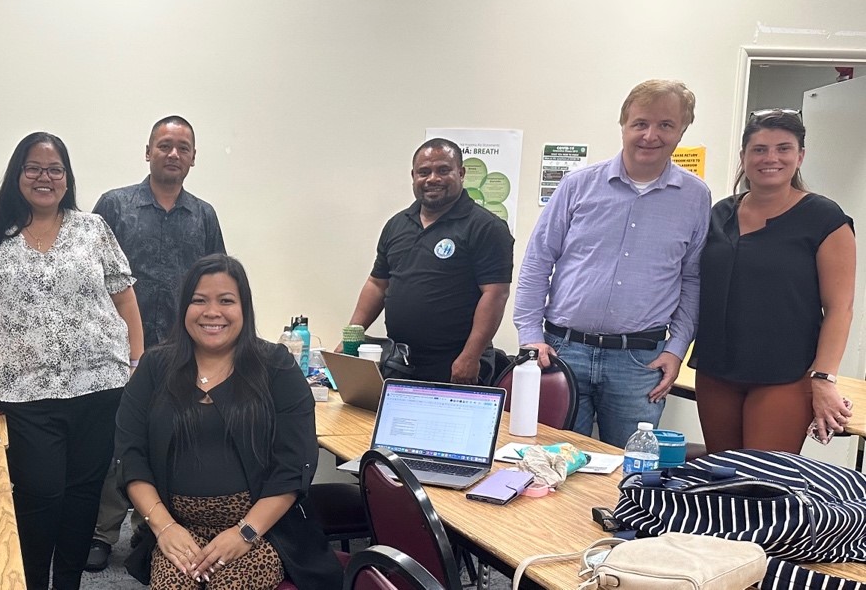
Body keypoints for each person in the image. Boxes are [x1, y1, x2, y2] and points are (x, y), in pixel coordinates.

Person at [0, 131, 144, 590]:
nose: (44, 177)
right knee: (41, 493)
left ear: (67, 179)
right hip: (22, 391)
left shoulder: (92, 228)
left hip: (99, 385)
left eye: (55, 169)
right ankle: (30, 581)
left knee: (83, 494)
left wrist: (137, 362)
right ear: (17, 174)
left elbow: (124, 297)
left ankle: (67, 582)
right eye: (33, 168)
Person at [116, 254, 342, 589]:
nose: (212, 312)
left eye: (226, 301)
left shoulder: (275, 366)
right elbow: (131, 456)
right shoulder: (155, 367)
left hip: (262, 531)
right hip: (179, 530)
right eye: (199, 300)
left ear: (244, 308)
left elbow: (295, 463)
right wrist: (165, 528)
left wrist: (245, 532)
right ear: (184, 308)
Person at [515, 79, 711, 447]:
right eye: (640, 123)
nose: (650, 135)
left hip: (639, 363)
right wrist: (530, 336)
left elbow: (692, 278)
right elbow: (538, 261)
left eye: (666, 125)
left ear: (682, 130)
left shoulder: (695, 197)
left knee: (631, 469)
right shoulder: (577, 185)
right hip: (562, 352)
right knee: (551, 463)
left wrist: (676, 348)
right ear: (623, 124)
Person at [86, 115, 226, 571]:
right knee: (117, 442)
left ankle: (151, 532)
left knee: (167, 443)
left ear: (193, 158)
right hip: (117, 351)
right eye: (164, 145)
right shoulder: (115, 205)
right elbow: (87, 274)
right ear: (148, 152)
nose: (173, 154)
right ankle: (102, 532)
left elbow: (218, 280)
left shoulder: (203, 215)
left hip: (181, 353)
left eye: (183, 147)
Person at [692, 109, 855, 453]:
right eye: (760, 149)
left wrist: (824, 378)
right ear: (744, 157)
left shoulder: (824, 218)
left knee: (764, 479)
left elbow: (840, 308)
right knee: (722, 475)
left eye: (783, 148)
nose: (771, 158)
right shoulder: (719, 214)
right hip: (716, 371)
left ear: (800, 156)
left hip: (785, 375)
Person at [344, 138, 513, 384]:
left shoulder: (486, 227)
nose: (433, 179)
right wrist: (350, 340)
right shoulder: (397, 224)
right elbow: (377, 284)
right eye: (424, 172)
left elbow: (495, 294)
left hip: (456, 363)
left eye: (443, 170)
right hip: (399, 361)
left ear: (461, 173)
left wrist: (470, 356)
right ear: (413, 176)